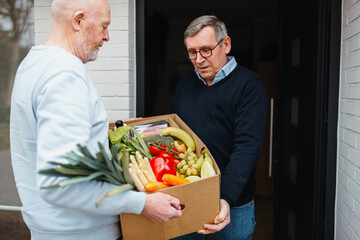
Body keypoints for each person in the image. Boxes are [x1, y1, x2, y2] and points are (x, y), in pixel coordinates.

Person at [9, 0, 181, 239]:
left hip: (55, 227)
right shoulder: (64, 75)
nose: (107, 36)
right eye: (104, 26)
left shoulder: (33, 64)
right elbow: (61, 184)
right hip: (79, 231)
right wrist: (142, 204)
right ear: (78, 21)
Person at [170, 15, 268, 239]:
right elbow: (176, 140)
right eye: (192, 52)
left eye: (206, 50)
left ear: (226, 44)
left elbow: (247, 147)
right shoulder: (184, 85)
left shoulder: (249, 85)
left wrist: (225, 197)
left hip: (235, 200)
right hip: (188, 197)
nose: (199, 59)